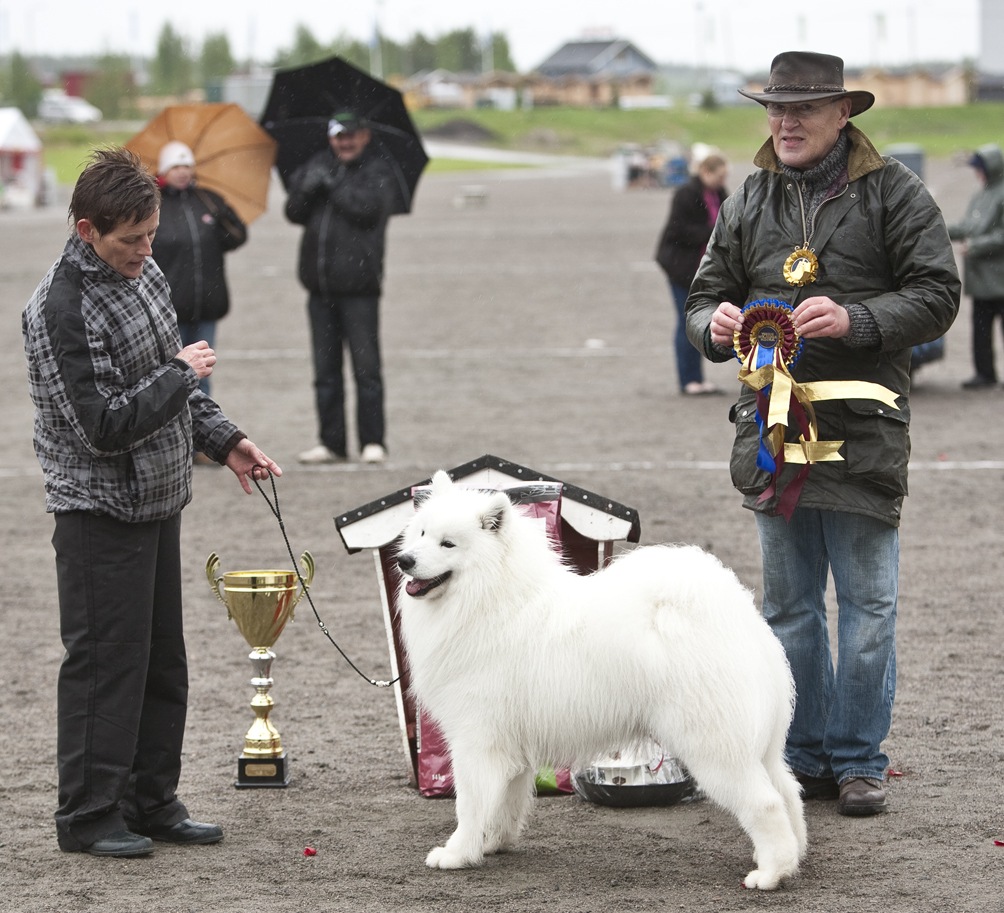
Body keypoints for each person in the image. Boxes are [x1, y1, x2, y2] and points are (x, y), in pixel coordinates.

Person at [685, 52, 960, 816]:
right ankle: (803, 754)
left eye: (803, 108)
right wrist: (715, 326)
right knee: (790, 610)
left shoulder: (896, 192)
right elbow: (702, 297)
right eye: (776, 108)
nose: (785, 121)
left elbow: (939, 293)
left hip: (864, 435)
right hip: (772, 437)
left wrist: (857, 318)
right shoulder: (748, 197)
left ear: (844, 113)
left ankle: (859, 758)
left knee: (869, 611)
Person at [21, 148, 282, 858]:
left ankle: (152, 800)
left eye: (151, 234)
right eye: (130, 239)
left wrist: (226, 439)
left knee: (162, 663)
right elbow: (101, 426)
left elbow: (177, 394)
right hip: (97, 509)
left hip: (160, 500)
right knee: (105, 665)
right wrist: (177, 372)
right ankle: (88, 815)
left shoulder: (147, 272)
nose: (144, 250)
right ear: (86, 231)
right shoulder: (60, 308)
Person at [284, 111, 396, 465]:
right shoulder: (317, 164)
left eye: (350, 135)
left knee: (367, 370)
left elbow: (367, 210)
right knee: (325, 372)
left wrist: (333, 184)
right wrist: (307, 186)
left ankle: (372, 440)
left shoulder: (378, 171)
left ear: (364, 136)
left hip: (360, 289)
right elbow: (293, 212)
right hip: (320, 289)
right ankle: (331, 442)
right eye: (338, 136)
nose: (344, 142)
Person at [152, 140, 247, 399]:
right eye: (176, 167)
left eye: (187, 166)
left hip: (207, 303)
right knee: (173, 375)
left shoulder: (208, 199)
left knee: (202, 375)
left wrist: (223, 219)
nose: (182, 172)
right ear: (164, 170)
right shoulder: (153, 205)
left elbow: (237, 238)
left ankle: (203, 424)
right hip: (169, 308)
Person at [656, 151, 730, 394]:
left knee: (700, 321)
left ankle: (697, 378)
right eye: (719, 176)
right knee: (686, 321)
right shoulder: (686, 194)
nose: (723, 181)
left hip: (703, 271)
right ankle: (688, 380)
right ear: (706, 172)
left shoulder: (719, 192)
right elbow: (678, 231)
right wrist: (713, 231)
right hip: (681, 268)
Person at [946, 143, 1004, 390]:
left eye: (980, 169)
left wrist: (977, 246)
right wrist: (937, 227)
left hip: (999, 278)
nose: (977, 173)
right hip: (981, 279)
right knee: (981, 330)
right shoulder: (981, 195)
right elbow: (968, 226)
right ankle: (985, 373)